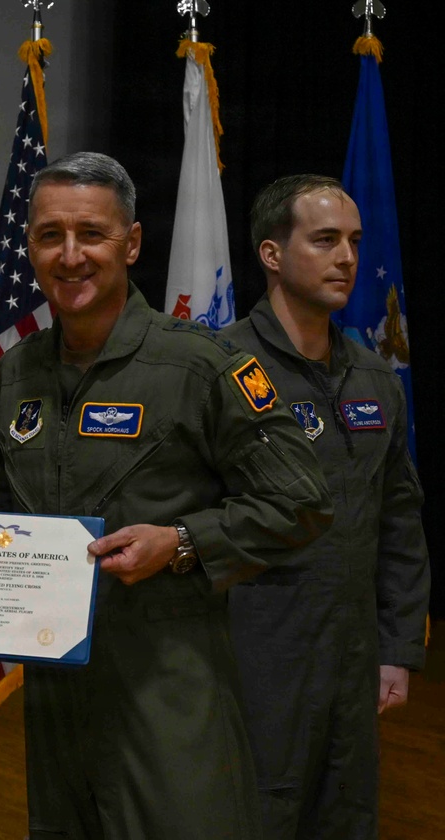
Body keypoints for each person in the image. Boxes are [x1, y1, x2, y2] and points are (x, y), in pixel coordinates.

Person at [0, 151, 334, 839]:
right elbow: (3, 505)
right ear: (31, 247)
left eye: (92, 234)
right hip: (54, 697)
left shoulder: (198, 365)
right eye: (51, 235)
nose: (71, 255)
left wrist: (183, 542)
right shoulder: (17, 374)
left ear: (132, 243)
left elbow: (302, 500)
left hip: (168, 687)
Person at [221, 174, 430, 840]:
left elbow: (399, 520)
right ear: (272, 254)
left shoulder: (373, 377)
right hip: (251, 656)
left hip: (350, 656)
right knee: (254, 815)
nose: (347, 257)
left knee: (345, 815)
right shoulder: (215, 368)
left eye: (354, 241)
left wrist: (396, 647)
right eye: (325, 240)